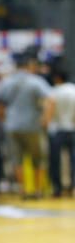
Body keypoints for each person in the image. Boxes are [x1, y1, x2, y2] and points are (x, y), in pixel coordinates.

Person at [0, 51, 55, 198]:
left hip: (12, 126)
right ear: (30, 66)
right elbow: (51, 100)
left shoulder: (7, 82)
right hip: (32, 125)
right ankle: (37, 190)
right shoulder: (36, 81)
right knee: (38, 159)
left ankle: (22, 190)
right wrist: (46, 119)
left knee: (17, 160)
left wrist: (5, 119)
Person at [48, 64, 75, 197]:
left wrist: (45, 122)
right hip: (72, 128)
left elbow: (50, 109)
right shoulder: (73, 90)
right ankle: (72, 187)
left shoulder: (54, 91)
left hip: (57, 130)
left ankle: (57, 188)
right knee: (73, 160)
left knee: (55, 161)